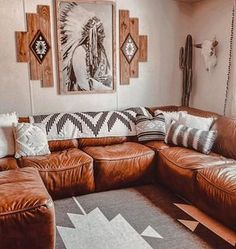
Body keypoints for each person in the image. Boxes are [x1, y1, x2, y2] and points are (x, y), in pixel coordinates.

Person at [61, 3, 112, 92]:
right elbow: (83, 84)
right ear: (92, 34)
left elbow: (107, 74)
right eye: (100, 31)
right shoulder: (79, 51)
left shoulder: (101, 51)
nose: (103, 35)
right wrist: (106, 88)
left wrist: (109, 78)